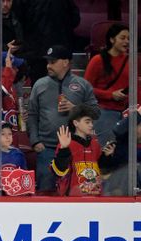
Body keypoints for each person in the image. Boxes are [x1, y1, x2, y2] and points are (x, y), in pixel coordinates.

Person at [26, 45, 100, 194]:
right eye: (47, 62)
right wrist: (35, 140)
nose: (48, 65)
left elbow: (96, 113)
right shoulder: (39, 85)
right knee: (45, 191)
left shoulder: (82, 85)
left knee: (76, 190)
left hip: (76, 149)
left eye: (53, 62)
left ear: (65, 62)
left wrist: (75, 108)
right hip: (46, 147)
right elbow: (32, 114)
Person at [51, 104, 114, 197]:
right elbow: (58, 172)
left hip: (95, 196)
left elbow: (102, 171)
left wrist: (106, 156)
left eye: (92, 122)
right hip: (73, 198)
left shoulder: (95, 144)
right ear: (76, 123)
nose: (91, 125)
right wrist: (64, 149)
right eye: (87, 122)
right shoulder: (66, 143)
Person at [10, 0, 79, 83]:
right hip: (59, 49)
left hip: (36, 50)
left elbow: (17, 18)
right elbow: (75, 19)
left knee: (39, 87)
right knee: (61, 88)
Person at [84, 23, 130, 145]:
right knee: (108, 152)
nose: (126, 41)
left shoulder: (130, 61)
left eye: (128, 38)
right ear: (111, 39)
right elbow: (86, 89)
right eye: (123, 38)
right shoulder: (97, 60)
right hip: (104, 112)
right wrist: (110, 95)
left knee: (123, 155)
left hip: (126, 113)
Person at [101, 105, 141, 196]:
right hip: (123, 193)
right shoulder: (121, 145)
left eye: (137, 125)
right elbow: (118, 129)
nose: (134, 130)